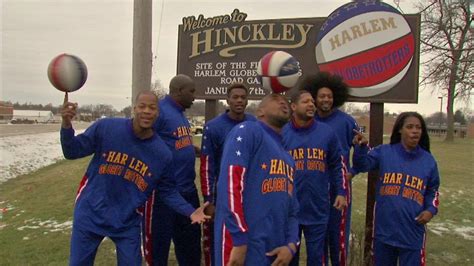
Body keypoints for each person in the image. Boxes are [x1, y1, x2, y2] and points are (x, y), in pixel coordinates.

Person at [60, 91, 209, 266]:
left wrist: (189, 211)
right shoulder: (106, 128)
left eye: (152, 108)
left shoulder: (162, 154)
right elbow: (72, 151)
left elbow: (167, 191)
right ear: (134, 109)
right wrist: (66, 125)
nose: (146, 111)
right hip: (91, 214)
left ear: (157, 113)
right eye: (142, 106)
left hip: (126, 222)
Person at [214, 93, 299, 266]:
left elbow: (293, 210)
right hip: (243, 245)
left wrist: (291, 245)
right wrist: (238, 238)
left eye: (286, 102)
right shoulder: (248, 131)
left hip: (274, 250)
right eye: (276, 100)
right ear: (260, 111)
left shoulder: (287, 157)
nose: (284, 103)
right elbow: (231, 182)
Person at [352, 111, 440, 266]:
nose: (415, 131)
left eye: (418, 128)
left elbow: (433, 191)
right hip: (384, 233)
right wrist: (361, 147)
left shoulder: (428, 161)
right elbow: (363, 165)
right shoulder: (385, 152)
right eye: (410, 127)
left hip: (412, 233)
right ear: (400, 129)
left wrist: (430, 210)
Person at [142, 74, 203, 265]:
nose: (194, 96)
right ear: (178, 91)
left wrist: (192, 150)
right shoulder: (160, 111)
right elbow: (144, 143)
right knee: (158, 250)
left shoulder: (180, 114)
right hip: (164, 195)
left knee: (191, 246)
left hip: (187, 191)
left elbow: (173, 142)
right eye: (191, 92)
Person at [282, 90, 347, 266]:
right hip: (290, 209)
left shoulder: (327, 133)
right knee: (289, 258)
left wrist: (341, 192)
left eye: (312, 101)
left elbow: (337, 164)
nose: (311, 104)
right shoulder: (283, 133)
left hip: (317, 207)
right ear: (293, 106)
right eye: (305, 102)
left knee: (317, 258)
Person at [200, 83, 257, 266]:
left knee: (246, 241)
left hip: (248, 197)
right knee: (218, 244)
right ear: (228, 100)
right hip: (223, 197)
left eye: (243, 97)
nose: (239, 100)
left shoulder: (255, 124)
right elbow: (207, 166)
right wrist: (209, 200)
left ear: (247, 100)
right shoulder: (213, 127)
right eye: (235, 97)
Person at [305, 72, 358, 266]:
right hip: (315, 189)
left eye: (329, 96)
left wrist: (352, 171)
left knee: (338, 240)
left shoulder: (348, 122)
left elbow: (363, 154)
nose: (326, 99)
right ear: (314, 98)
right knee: (318, 241)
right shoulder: (308, 120)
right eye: (321, 96)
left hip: (339, 188)